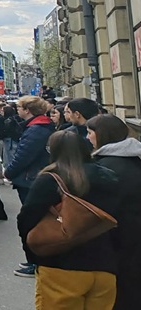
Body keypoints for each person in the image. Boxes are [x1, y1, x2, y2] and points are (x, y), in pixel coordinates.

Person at [17, 130, 120, 307]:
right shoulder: (108, 176)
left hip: (60, 265)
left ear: (52, 151)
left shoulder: (50, 179)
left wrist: (33, 254)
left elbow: (27, 218)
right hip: (104, 264)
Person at [88, 114, 141, 310]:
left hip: (119, 239)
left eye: (90, 132)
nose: (88, 138)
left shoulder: (105, 168)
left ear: (102, 135)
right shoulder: (134, 158)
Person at [4, 95, 54, 277]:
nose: (17, 110)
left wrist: (8, 172)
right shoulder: (40, 125)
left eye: (19, 108)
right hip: (32, 177)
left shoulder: (36, 129)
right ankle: (35, 260)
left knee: (32, 220)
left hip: (30, 178)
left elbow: (23, 155)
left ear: (27, 110)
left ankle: (36, 261)